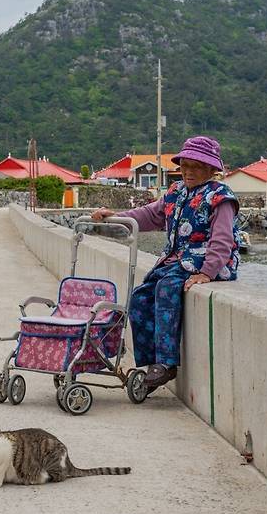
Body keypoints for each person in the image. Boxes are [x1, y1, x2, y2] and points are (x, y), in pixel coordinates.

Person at [91, 136, 239, 390]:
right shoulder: (176, 192)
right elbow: (150, 215)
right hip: (175, 261)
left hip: (203, 261)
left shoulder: (220, 197)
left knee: (167, 288)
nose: (189, 172)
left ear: (211, 169)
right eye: (185, 166)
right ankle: (151, 364)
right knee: (140, 297)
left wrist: (207, 272)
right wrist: (117, 217)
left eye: (196, 166)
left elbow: (222, 239)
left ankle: (167, 363)